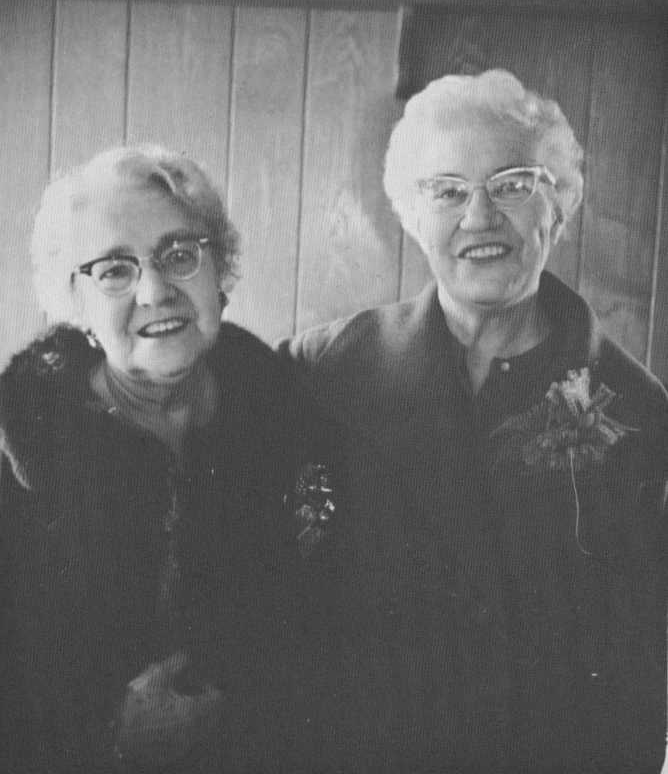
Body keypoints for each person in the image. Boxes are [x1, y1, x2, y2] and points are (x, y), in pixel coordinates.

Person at [279, 70, 668, 774]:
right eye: (447, 191)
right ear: (408, 215)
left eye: (515, 183)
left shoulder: (638, 412)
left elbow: (645, 655)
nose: (480, 216)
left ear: (564, 204)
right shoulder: (321, 371)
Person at [0, 146, 335, 774]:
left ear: (220, 274)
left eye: (180, 255)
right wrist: (112, 748)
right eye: (114, 270)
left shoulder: (295, 426)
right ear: (76, 304)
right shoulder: (15, 466)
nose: (156, 290)